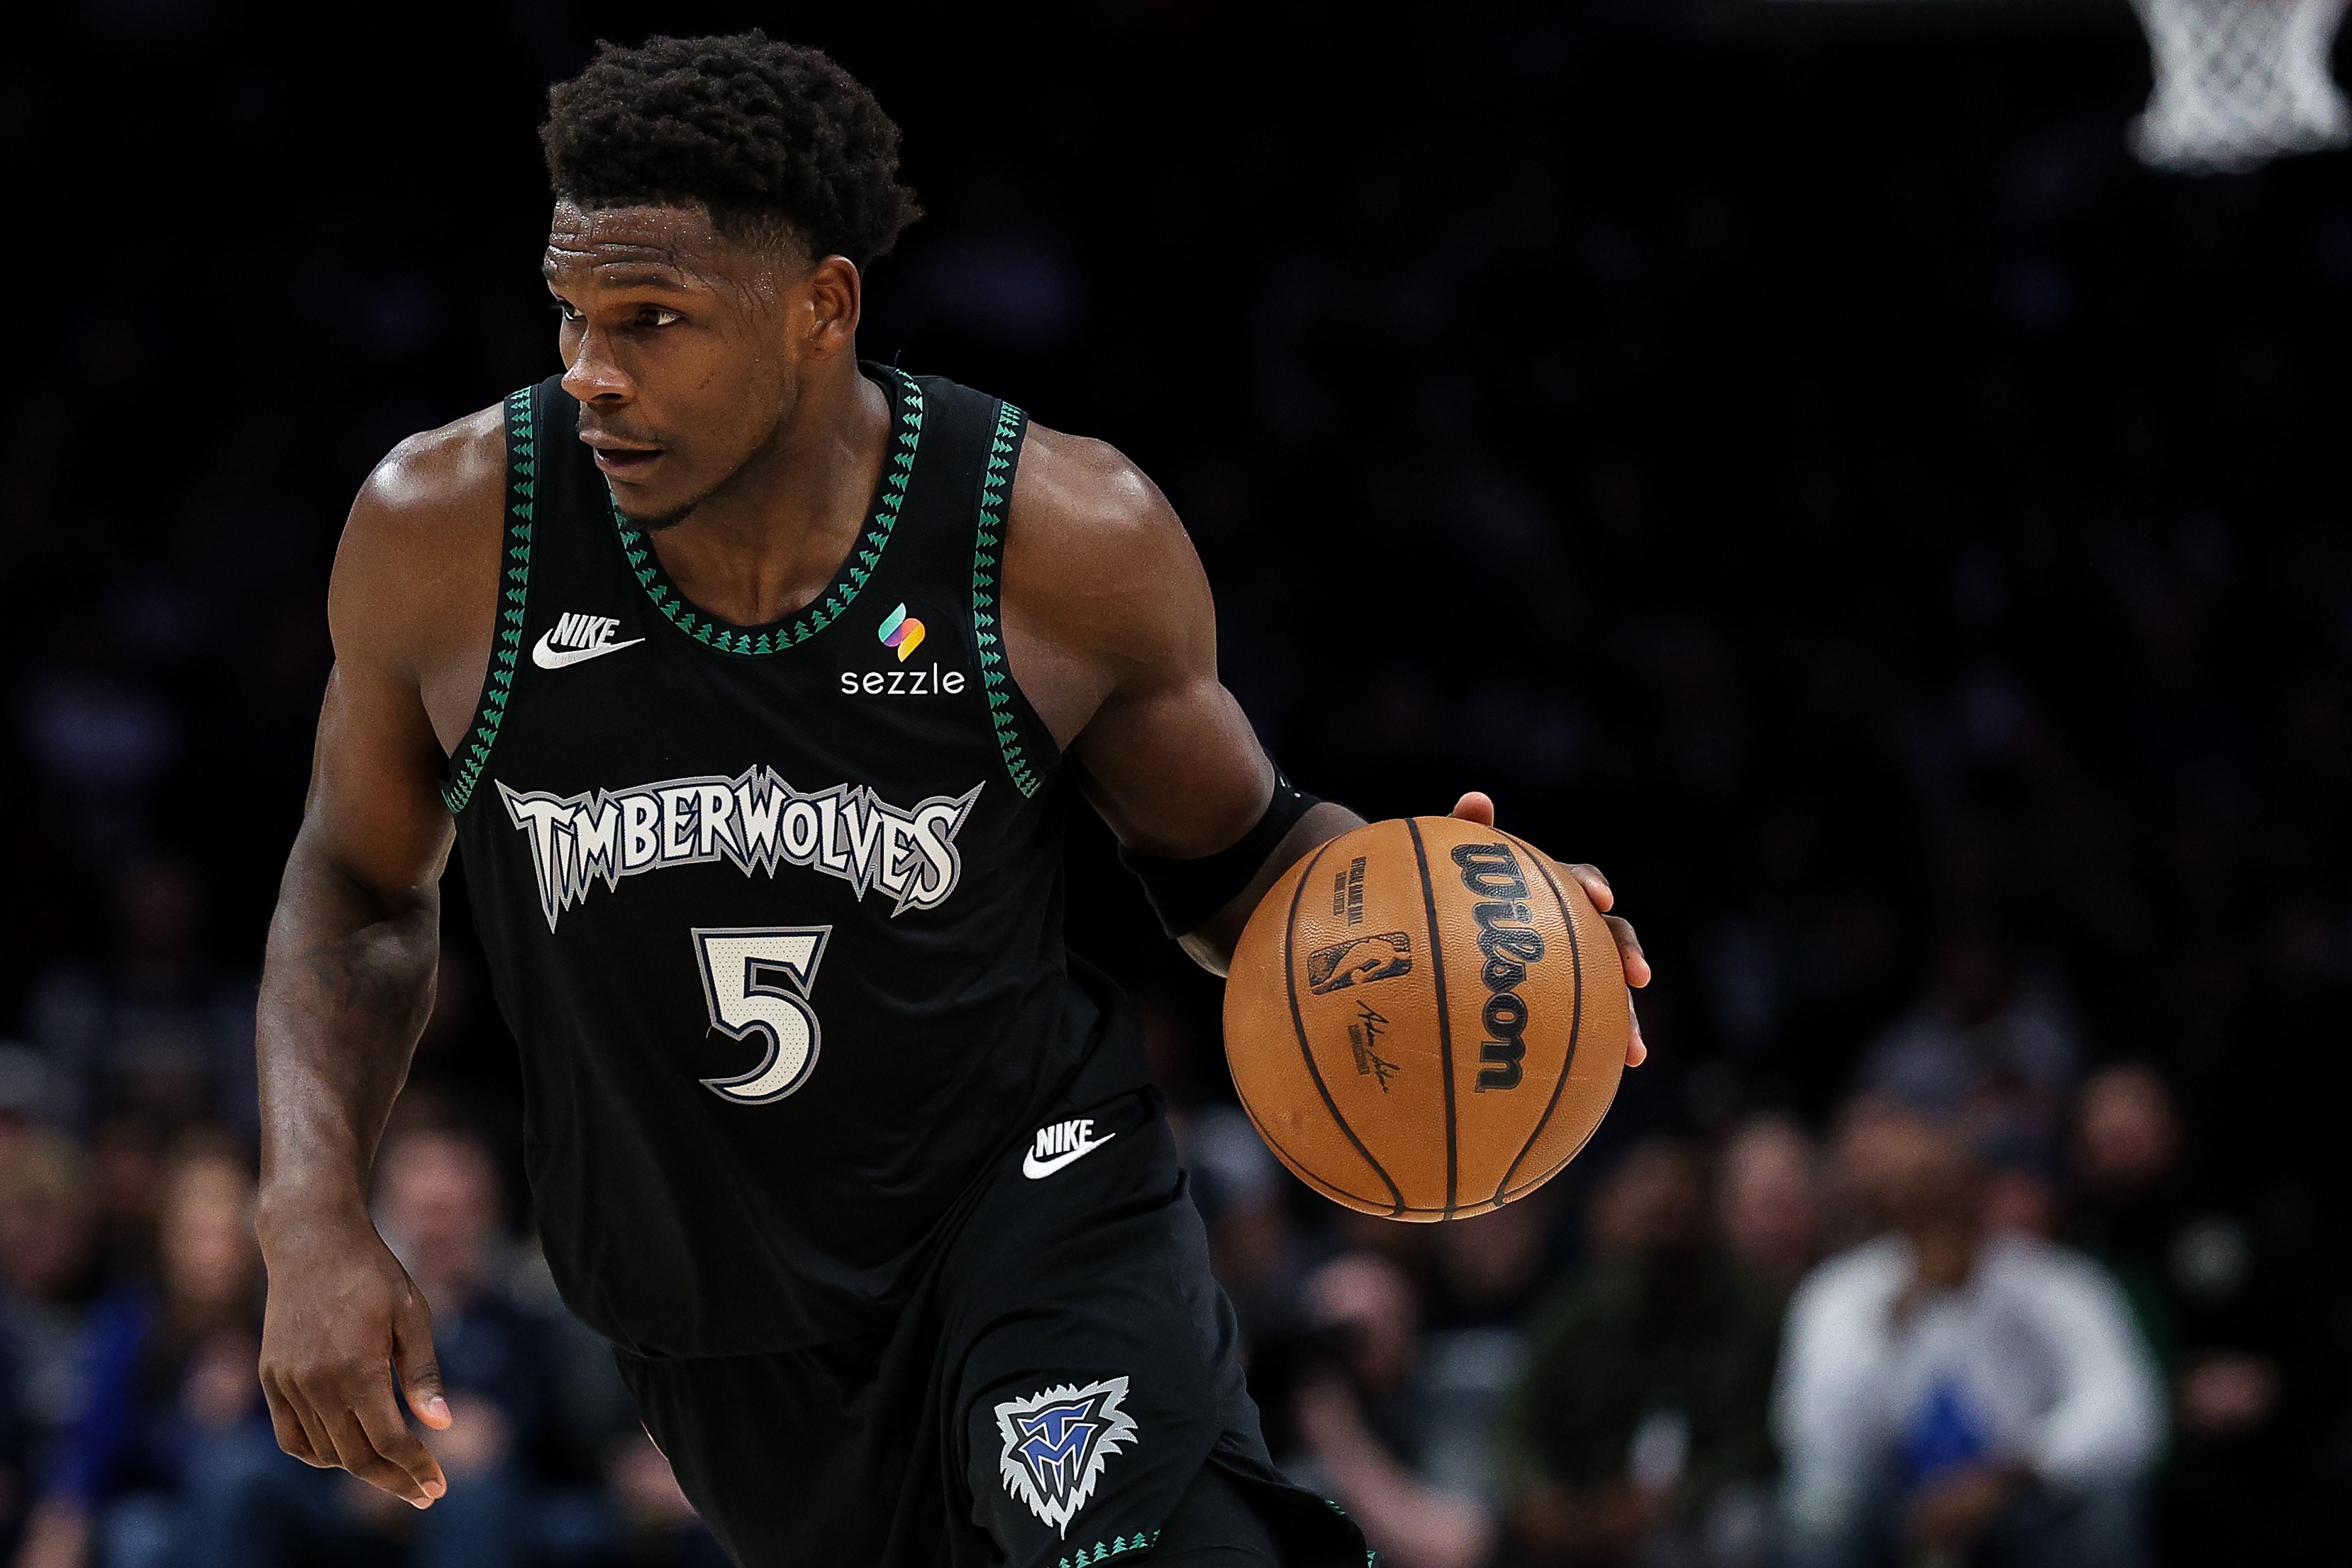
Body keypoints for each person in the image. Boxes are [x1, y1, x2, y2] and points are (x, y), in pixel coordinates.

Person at [249, 30, 1650, 1568]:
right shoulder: (452, 534)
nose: (590, 366)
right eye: (571, 311)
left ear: (821, 309)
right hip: (713, 1318)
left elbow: (1238, 863)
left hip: (1033, 1210)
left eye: (650, 319)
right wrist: (307, 1209)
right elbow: (356, 891)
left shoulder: (1054, 534)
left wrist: (1459, 915)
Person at [1776, 1121, 2162, 1568]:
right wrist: (1892, 1328)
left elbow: (2126, 1414)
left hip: (2017, 1493)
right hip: (1893, 1503)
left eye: (1949, 1188)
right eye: (1918, 1191)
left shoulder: (2056, 1283)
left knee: (2104, 1506)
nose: (1936, 1207)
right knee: (1813, 1513)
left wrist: (2011, 1474)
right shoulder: (1837, 1292)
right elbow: (1814, 1442)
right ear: (1887, 1202)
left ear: (1981, 1190)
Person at [1501, 1140, 1781, 1568]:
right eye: (1654, 1215)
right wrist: (1540, 1497)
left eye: (1680, 1210)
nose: (1667, 1217)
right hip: (1581, 1509)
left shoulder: (1757, 1313)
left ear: (1712, 1211)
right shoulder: (1580, 1312)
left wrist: (1667, 1502)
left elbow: (1760, 1444)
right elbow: (1514, 1426)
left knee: (1741, 1523)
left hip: (1693, 1517)